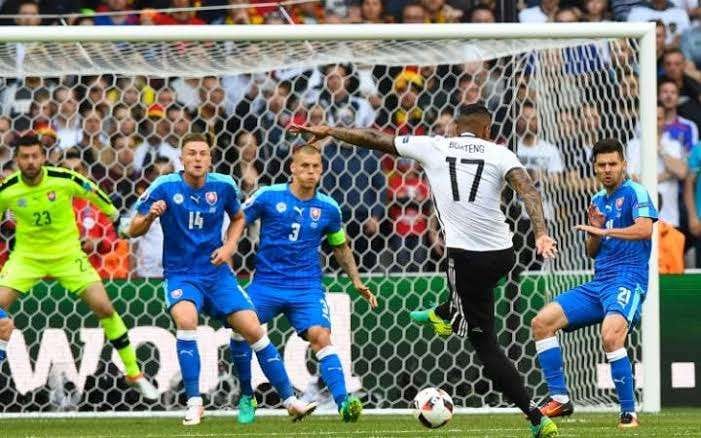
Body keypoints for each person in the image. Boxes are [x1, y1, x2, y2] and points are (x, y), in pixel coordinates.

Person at [291, 103, 559, 438]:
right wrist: (541, 233)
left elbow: (374, 138)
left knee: (485, 344)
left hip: (465, 259)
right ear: (487, 130)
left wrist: (330, 130)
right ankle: (447, 312)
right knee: (472, 299)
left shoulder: (435, 146)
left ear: (455, 127)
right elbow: (528, 190)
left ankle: (536, 418)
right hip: (504, 256)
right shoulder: (500, 152)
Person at [126, 133, 316, 426]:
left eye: (203, 153)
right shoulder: (164, 186)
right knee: (186, 321)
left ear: (210, 159)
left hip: (217, 275)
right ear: (181, 158)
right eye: (191, 153)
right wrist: (150, 216)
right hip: (182, 275)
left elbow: (239, 218)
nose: (197, 158)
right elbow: (132, 229)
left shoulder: (224, 185)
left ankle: (290, 401)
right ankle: (194, 403)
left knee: (253, 328)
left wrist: (229, 246)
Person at [0, 133, 157, 400]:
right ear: (17, 160)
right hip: (26, 259)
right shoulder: (8, 189)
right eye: (25, 157)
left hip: (68, 256)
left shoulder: (63, 179)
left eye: (35, 156)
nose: (30, 161)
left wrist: (116, 218)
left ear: (43, 157)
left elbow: (93, 192)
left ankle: (133, 373)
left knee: (105, 308)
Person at [230, 144, 378, 424]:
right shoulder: (268, 196)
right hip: (266, 284)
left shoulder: (329, 208)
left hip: (306, 287)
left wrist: (357, 280)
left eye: (315, 167)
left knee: (321, 336)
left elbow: (340, 247)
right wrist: (228, 250)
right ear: (293, 168)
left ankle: (344, 403)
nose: (310, 172)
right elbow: (237, 220)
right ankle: (247, 395)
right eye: (305, 166)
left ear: (321, 170)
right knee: (239, 329)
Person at [530, 139, 657, 429]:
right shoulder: (597, 200)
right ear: (594, 168)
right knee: (542, 322)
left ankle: (628, 412)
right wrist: (595, 232)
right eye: (602, 165)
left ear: (624, 164)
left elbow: (644, 230)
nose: (608, 169)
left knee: (610, 336)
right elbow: (592, 251)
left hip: (628, 279)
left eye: (613, 163)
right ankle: (560, 398)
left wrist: (603, 230)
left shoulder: (636, 192)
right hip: (599, 282)